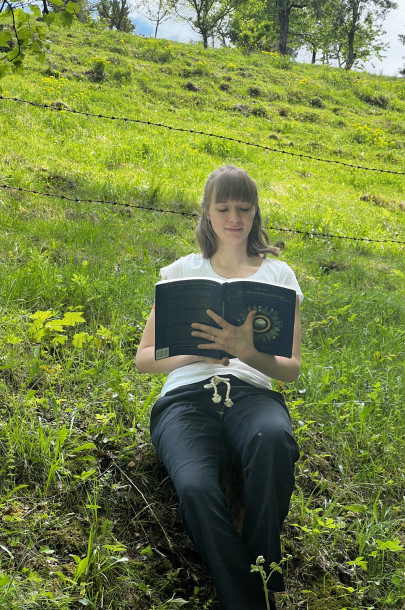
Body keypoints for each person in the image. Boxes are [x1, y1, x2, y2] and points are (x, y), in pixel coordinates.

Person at [136, 165, 302, 610]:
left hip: (251, 393)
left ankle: (264, 562)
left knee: (275, 439)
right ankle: (248, 598)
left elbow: (290, 370)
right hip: (185, 399)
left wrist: (246, 352)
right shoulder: (179, 273)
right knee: (195, 487)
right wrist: (197, 352)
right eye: (223, 208)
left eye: (243, 208)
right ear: (206, 213)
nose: (234, 218)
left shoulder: (279, 276)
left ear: (255, 213)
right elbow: (143, 359)